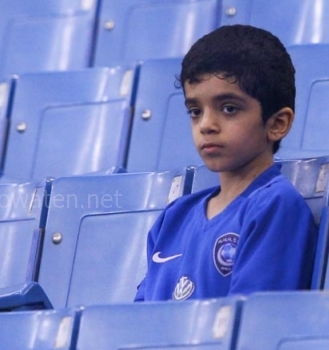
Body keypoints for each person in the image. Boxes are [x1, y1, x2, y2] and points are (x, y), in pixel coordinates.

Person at [135, 24, 317, 302]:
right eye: (195, 111)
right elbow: (138, 320)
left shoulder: (275, 204)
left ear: (278, 124)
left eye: (229, 108)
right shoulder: (174, 217)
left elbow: (249, 325)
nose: (206, 125)